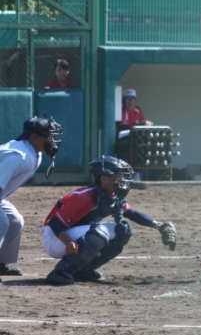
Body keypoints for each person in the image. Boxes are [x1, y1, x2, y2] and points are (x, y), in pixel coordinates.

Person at [42, 156, 177, 285]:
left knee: (122, 230)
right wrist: (68, 242)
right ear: (104, 179)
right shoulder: (84, 196)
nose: (122, 179)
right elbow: (54, 222)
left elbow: (132, 213)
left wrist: (159, 226)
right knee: (99, 233)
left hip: (70, 233)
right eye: (118, 176)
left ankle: (83, 270)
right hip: (54, 238)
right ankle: (60, 272)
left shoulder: (111, 195)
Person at [0, 116, 63, 281]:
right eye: (48, 135)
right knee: (2, 221)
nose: (52, 140)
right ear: (34, 136)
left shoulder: (34, 153)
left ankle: (1, 262)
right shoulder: (17, 156)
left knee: (15, 221)